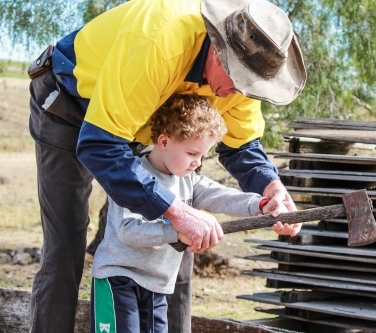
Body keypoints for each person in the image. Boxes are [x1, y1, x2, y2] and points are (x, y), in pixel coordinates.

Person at [27, 0, 306, 332]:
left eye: (249, 87)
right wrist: (175, 210)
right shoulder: (158, 43)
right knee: (66, 242)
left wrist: (271, 187)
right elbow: (100, 145)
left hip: (146, 119)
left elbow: (242, 145)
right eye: (237, 81)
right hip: (70, 105)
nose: (237, 93)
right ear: (218, 51)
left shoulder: (244, 79)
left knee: (186, 239)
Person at [91, 94, 291, 333]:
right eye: (192, 154)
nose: (197, 162)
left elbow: (222, 196)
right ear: (164, 142)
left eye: (202, 155)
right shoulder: (132, 176)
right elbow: (128, 232)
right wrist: (176, 231)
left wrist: (261, 204)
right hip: (119, 279)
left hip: (157, 284)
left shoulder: (187, 180)